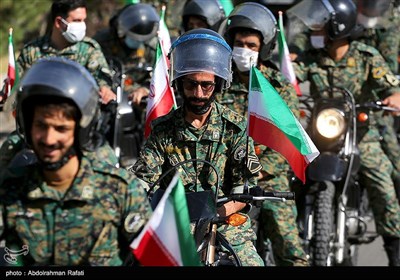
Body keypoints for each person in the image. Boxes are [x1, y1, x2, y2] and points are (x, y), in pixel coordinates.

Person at [129, 28, 264, 266]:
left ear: (218, 84)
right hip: (176, 223)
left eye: (206, 85)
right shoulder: (163, 128)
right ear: (179, 83)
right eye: (191, 84)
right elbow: (144, 178)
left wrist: (218, 213)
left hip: (225, 220)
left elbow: (247, 185)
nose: (198, 93)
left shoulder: (234, 127)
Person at [0, 57, 152, 266]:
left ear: (81, 130)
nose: (49, 139)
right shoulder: (10, 190)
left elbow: (153, 256)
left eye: (61, 129)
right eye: (41, 126)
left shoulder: (120, 191)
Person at [287, 0, 400, 266]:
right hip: (319, 134)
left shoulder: (366, 56)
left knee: (382, 186)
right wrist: (283, 66)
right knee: (288, 180)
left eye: (321, 26)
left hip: (360, 135)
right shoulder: (312, 58)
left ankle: (395, 253)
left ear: (337, 28)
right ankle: (286, 240)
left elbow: (390, 86)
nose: (316, 30)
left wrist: (393, 97)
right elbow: (288, 78)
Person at [217, 2, 309, 266]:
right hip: (222, 177)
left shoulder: (278, 87)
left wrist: (255, 173)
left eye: (251, 46)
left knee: (288, 244)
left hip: (267, 177)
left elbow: (287, 142)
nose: (243, 50)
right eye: (239, 43)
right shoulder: (217, 81)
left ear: (264, 48)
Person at [0, 0, 118, 170]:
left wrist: (105, 90)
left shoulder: (89, 50)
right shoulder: (32, 52)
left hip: (79, 130)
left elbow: (101, 78)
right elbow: (16, 84)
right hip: (37, 130)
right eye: (76, 21)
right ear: (58, 22)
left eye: (83, 20)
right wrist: (7, 93)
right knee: (7, 156)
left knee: (109, 163)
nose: (82, 26)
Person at [94, 2, 160, 106]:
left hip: (137, 102)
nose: (137, 41)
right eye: (134, 37)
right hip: (106, 98)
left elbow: (160, 77)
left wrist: (145, 89)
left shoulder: (152, 47)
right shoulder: (101, 42)